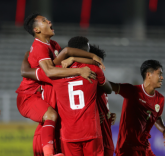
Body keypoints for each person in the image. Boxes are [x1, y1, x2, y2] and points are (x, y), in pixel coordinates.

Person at [16, 13, 105, 156]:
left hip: (44, 96)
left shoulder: (53, 45)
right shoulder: (40, 48)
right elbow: (51, 72)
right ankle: (49, 153)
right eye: (44, 21)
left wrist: (89, 57)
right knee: (51, 115)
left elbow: (65, 54)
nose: (49, 21)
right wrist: (80, 70)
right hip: (29, 96)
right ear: (37, 30)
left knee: (55, 116)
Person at [65, 36, 116, 156]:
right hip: (97, 132)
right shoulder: (92, 73)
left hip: (100, 128)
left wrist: (107, 112)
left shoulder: (66, 74)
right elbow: (108, 89)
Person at [109, 60, 165, 156]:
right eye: (159, 74)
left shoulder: (160, 99)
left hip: (145, 148)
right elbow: (109, 85)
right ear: (149, 75)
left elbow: (157, 117)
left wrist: (163, 129)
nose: (162, 77)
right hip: (127, 148)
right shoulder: (132, 91)